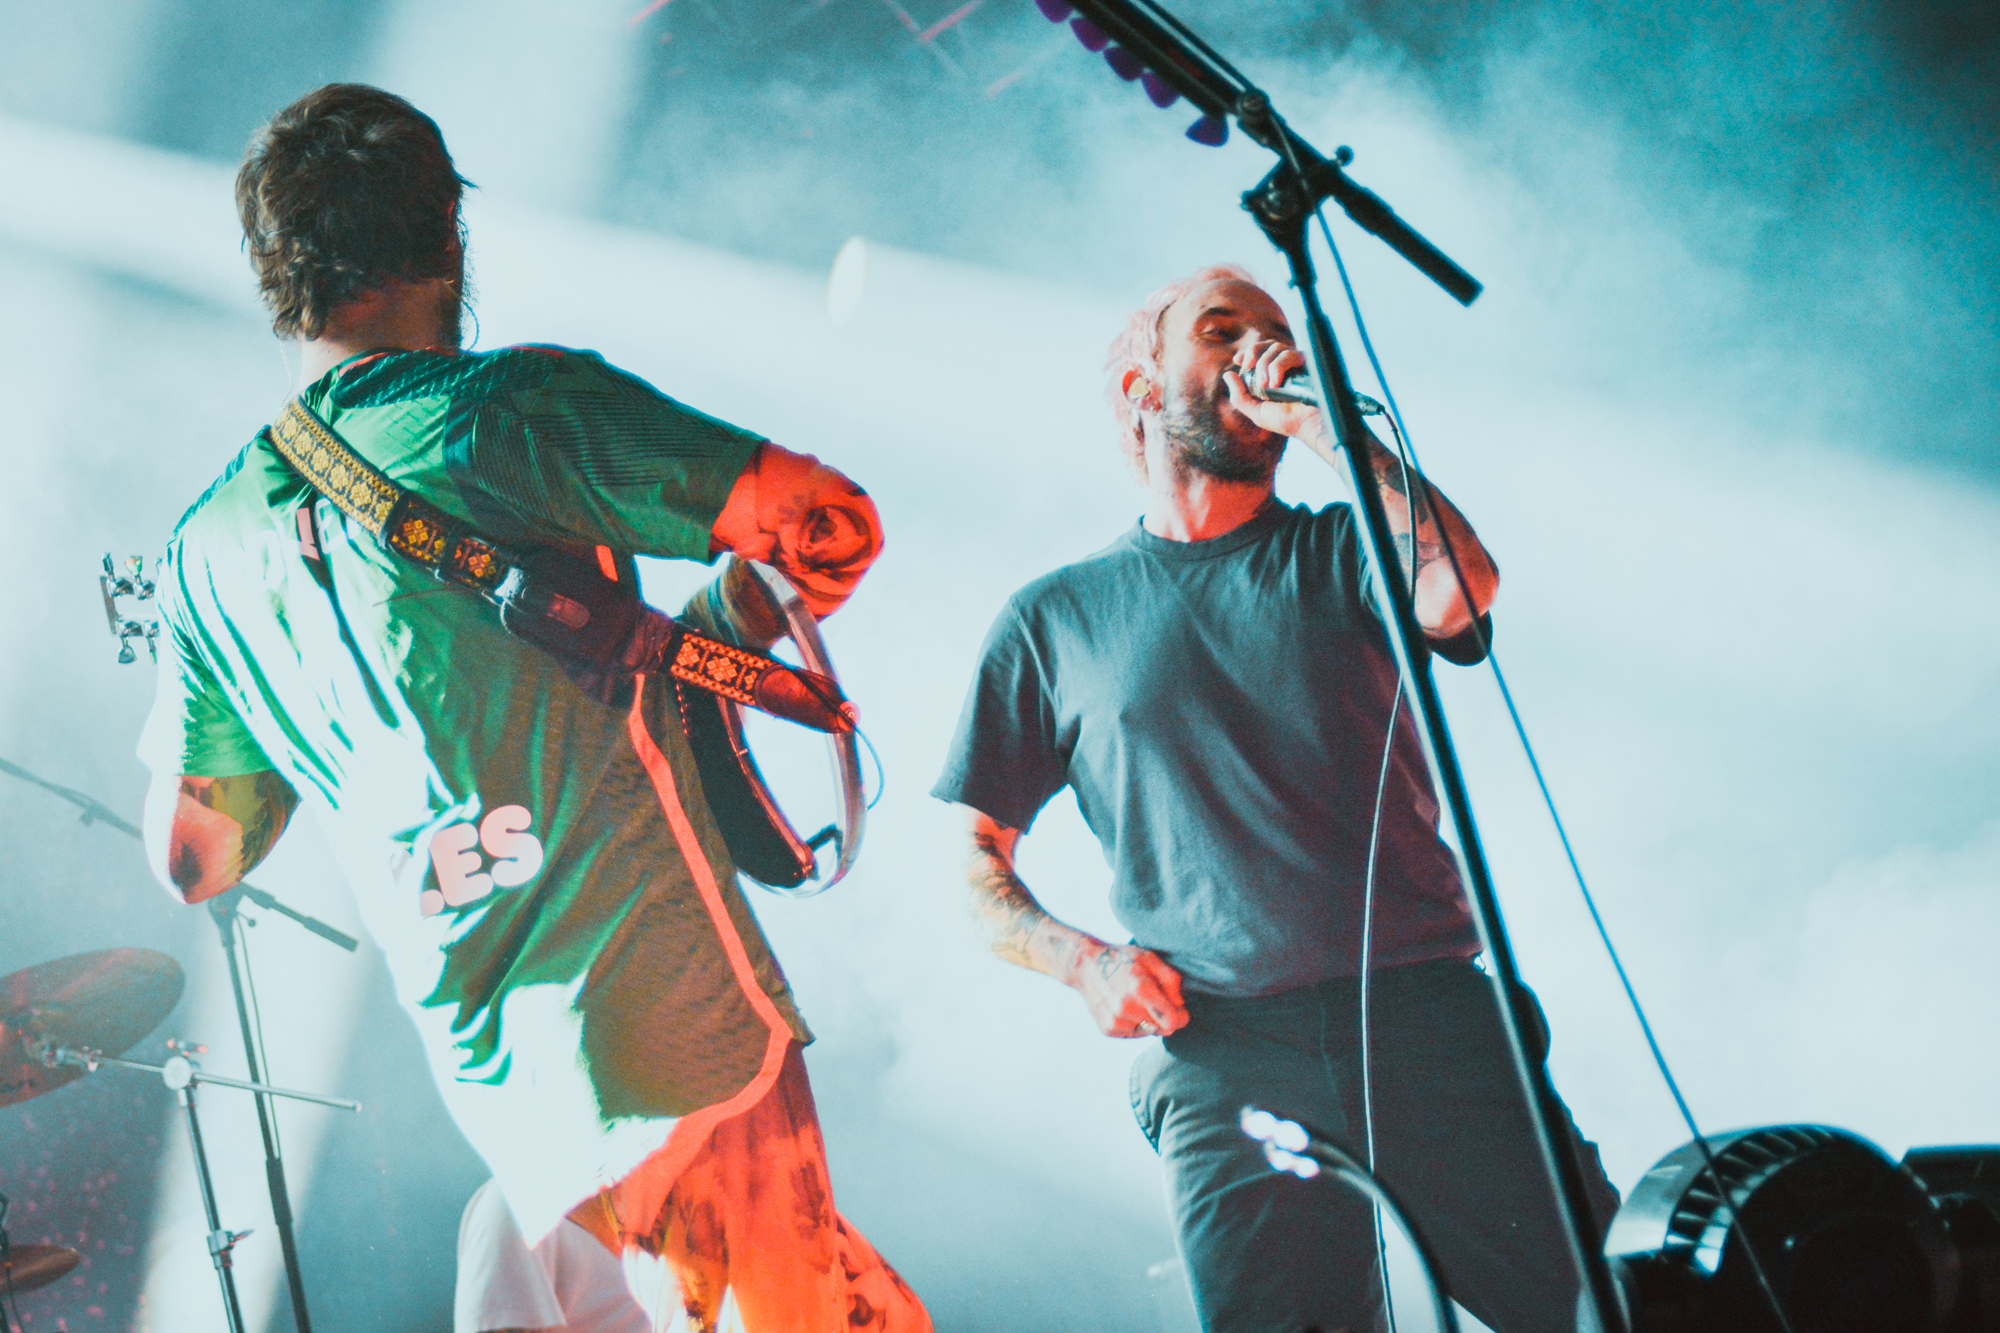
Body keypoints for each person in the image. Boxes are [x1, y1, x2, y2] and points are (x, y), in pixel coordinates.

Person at [138, 83, 927, 1332]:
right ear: (447, 232)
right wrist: (729, 620)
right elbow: (828, 521)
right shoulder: (503, 412)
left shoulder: (202, 553)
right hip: (672, 1030)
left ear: (272, 271)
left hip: (514, 1102)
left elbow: (195, 856)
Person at [932, 264, 1618, 1332]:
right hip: (1219, 1048)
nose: (1255, 348)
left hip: (1420, 1012)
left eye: (1272, 330)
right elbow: (972, 864)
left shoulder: (1342, 550)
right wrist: (1084, 961)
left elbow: (1458, 590)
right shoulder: (1053, 619)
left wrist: (1328, 427)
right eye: (1218, 329)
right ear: (1136, 388)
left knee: (1600, 1310)